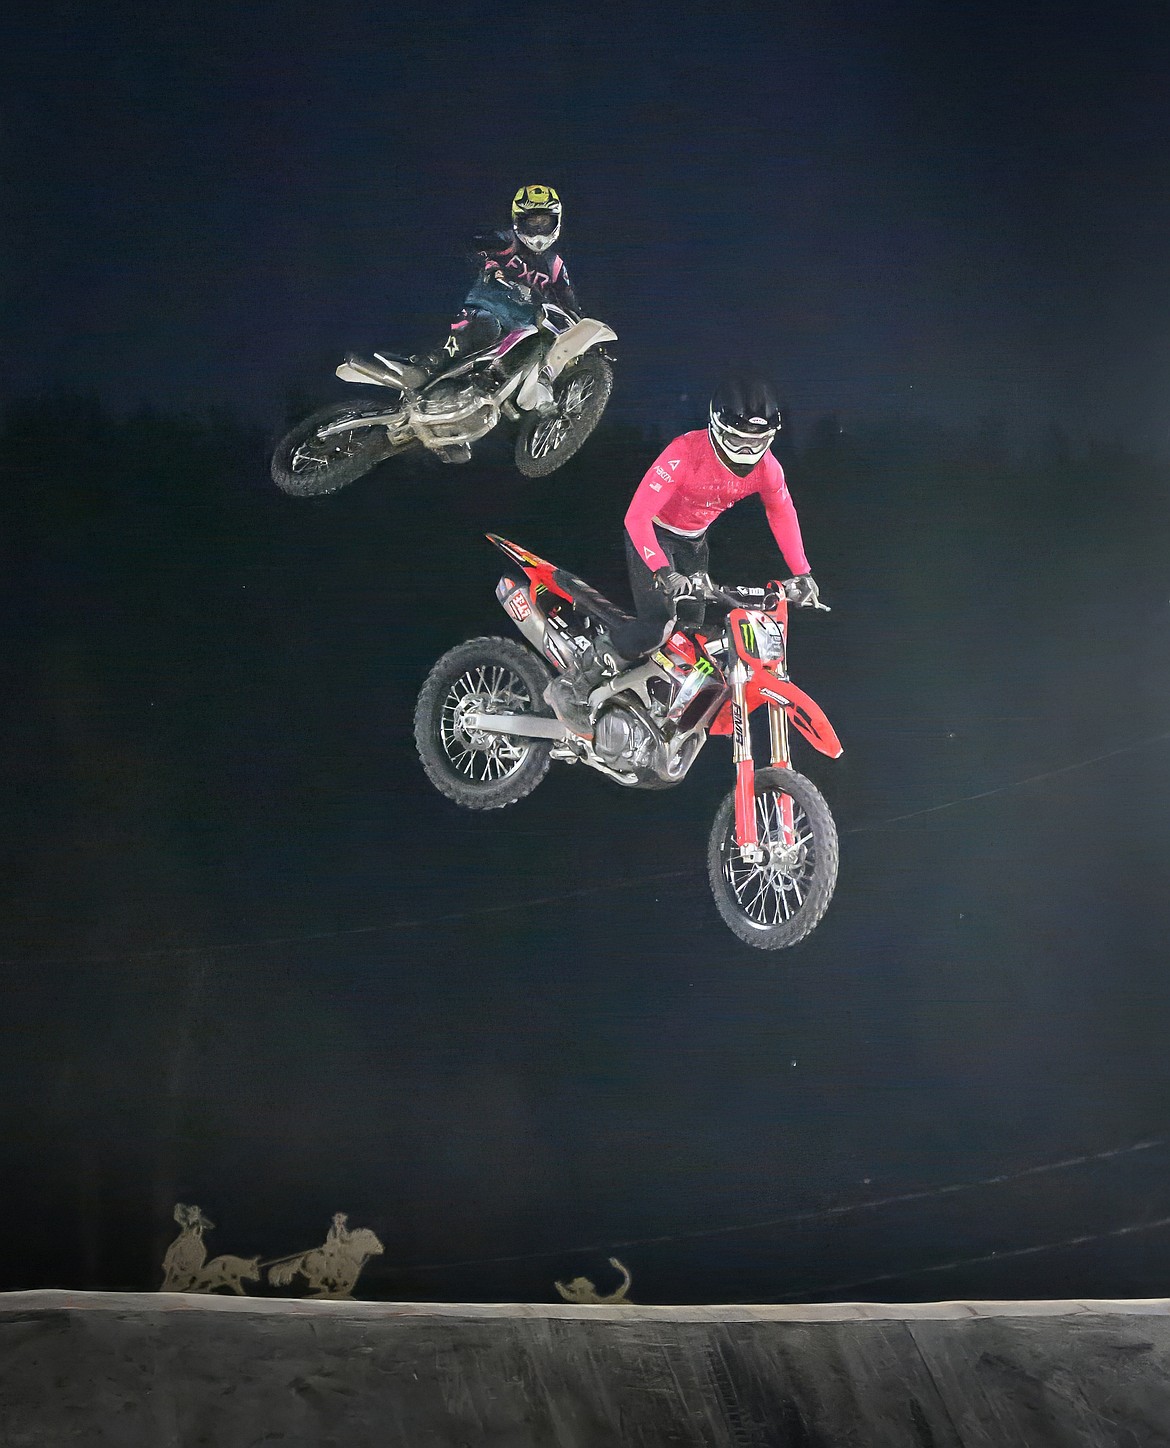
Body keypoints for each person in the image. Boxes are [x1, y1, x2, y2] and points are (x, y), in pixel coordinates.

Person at [545, 375, 822, 736]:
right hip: (654, 537)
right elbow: (636, 517)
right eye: (738, 438)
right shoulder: (685, 453)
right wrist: (660, 569)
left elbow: (781, 513)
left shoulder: (768, 468)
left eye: (759, 441)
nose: (748, 450)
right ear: (716, 426)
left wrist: (803, 572)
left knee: (693, 637)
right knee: (659, 623)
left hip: (693, 544)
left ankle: (643, 703)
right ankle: (573, 685)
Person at [412, 184, 580, 378]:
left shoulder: (555, 265)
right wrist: (484, 257)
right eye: (532, 222)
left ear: (556, 221)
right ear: (519, 220)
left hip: (526, 331)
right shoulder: (507, 241)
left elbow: (570, 305)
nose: (539, 228)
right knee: (486, 325)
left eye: (544, 221)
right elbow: (471, 243)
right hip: (487, 309)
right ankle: (432, 362)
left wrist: (590, 342)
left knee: (547, 353)